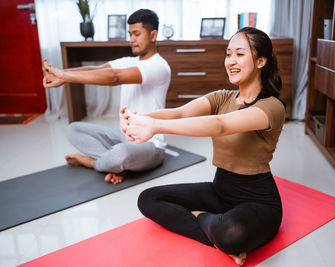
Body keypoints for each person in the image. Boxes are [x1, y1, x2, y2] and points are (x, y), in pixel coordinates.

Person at [120, 27, 285, 265]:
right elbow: (179, 114)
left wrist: (154, 127)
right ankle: (217, 233)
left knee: (232, 232)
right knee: (148, 199)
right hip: (221, 190)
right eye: (228, 54)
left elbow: (220, 125)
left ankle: (206, 221)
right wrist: (138, 118)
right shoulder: (222, 97)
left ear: (260, 61)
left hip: (258, 201)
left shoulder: (271, 107)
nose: (231, 61)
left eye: (240, 54)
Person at [42, 9, 171, 184]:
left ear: (153, 35)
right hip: (123, 137)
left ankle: (93, 162)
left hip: (151, 146)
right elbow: (97, 70)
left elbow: (114, 77)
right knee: (74, 129)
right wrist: (61, 74)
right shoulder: (128, 61)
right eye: (130, 34)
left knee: (121, 153)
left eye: (137, 34)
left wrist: (65, 77)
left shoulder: (159, 67)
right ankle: (116, 165)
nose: (131, 39)